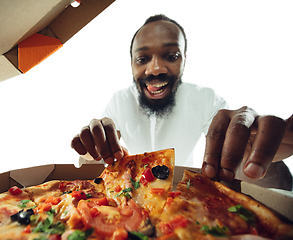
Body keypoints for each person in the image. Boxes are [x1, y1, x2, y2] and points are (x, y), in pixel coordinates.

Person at [71, 14, 293, 189]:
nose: (155, 68)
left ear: (184, 61)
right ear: (131, 64)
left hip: (183, 198)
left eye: (171, 56)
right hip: (130, 194)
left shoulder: (205, 98)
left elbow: (233, 143)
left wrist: (251, 152)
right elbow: (100, 165)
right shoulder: (119, 101)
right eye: (143, 58)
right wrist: (94, 152)